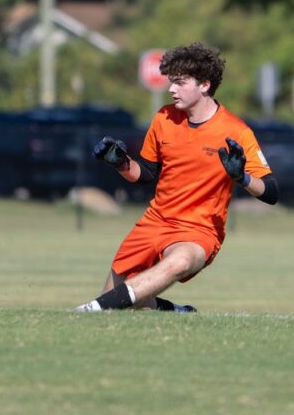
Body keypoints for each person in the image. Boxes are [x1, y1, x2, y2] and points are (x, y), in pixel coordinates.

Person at [75, 41, 279, 312]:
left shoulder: (236, 131)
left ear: (204, 85)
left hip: (199, 231)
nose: (171, 89)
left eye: (180, 82)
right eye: (171, 81)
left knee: (178, 263)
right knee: (123, 303)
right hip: (155, 222)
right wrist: (120, 163)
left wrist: (242, 177)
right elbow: (147, 174)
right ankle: (173, 311)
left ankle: (90, 309)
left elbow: (272, 192)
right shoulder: (164, 118)